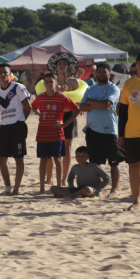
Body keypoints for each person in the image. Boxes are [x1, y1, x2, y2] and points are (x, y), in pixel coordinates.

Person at [38, 53, 88, 186]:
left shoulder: (74, 82)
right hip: (52, 116)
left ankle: (64, 178)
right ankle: (49, 177)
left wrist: (79, 105)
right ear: (56, 67)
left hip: (68, 116)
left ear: (68, 66)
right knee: (49, 148)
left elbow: (80, 97)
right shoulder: (51, 81)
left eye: (64, 64)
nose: (61, 66)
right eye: (59, 64)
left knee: (67, 147)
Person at [79, 63, 122, 198]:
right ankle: (95, 189)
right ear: (96, 74)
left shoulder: (113, 88)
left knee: (114, 162)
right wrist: (96, 104)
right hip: (92, 130)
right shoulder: (91, 89)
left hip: (109, 130)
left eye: (105, 72)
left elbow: (107, 105)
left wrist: (91, 103)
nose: (102, 74)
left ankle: (114, 190)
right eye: (100, 72)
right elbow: (82, 107)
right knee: (94, 163)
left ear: (110, 74)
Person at [32, 73, 79, 193]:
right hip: (42, 134)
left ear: (56, 82)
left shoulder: (61, 97)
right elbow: (33, 106)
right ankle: (42, 187)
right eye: (46, 81)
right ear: (44, 84)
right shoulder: (41, 97)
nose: (48, 84)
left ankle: (58, 185)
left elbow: (76, 109)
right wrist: (39, 114)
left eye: (51, 81)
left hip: (57, 134)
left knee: (58, 159)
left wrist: (64, 124)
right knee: (43, 160)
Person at [0, 63, 33, 196]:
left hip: (17, 126)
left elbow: (28, 107)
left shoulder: (18, 87)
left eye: (5, 72)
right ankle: (8, 187)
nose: (3, 75)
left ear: (10, 74)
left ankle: (16, 189)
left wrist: (21, 121)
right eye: (0, 72)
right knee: (1, 159)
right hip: (4, 127)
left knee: (18, 158)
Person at [118, 51, 140, 211]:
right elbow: (123, 112)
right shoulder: (128, 84)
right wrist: (121, 135)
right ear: (136, 64)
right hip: (132, 133)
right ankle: (136, 201)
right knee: (134, 167)